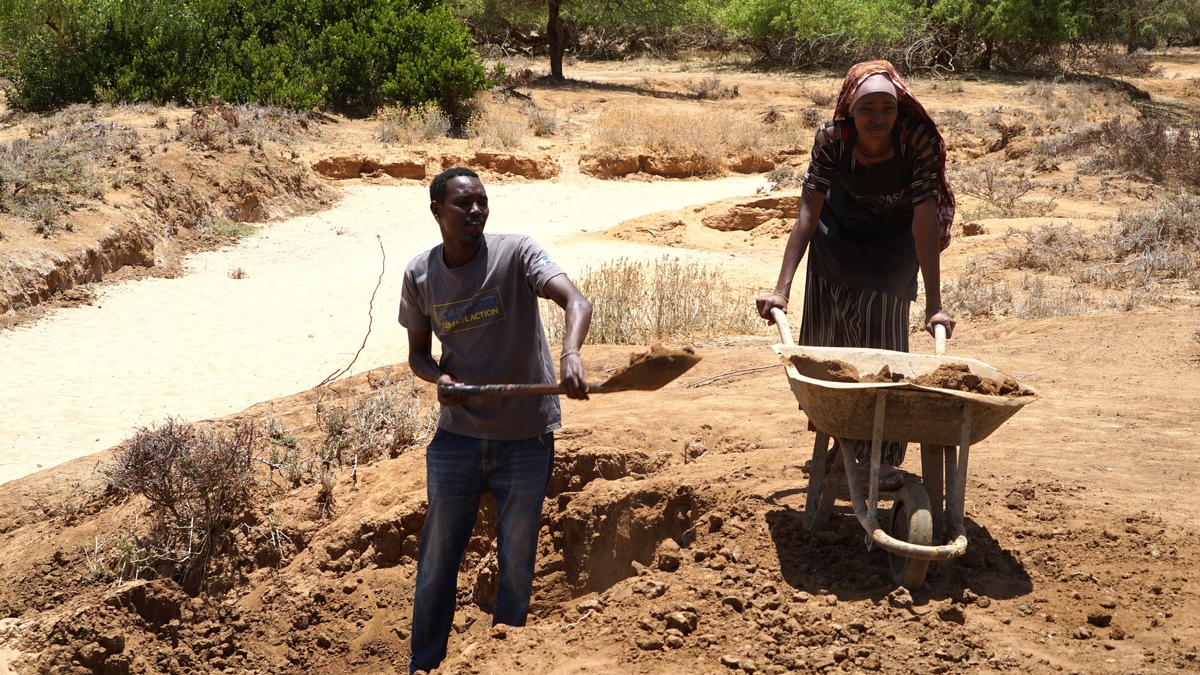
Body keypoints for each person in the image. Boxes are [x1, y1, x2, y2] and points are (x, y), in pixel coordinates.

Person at [399, 166, 592, 673]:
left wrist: (571, 353)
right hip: (458, 440)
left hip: (525, 438)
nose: (477, 211)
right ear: (437, 211)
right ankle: (425, 663)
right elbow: (418, 354)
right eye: (464, 204)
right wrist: (438, 379)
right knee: (438, 563)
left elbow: (575, 299)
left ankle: (505, 661)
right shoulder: (420, 275)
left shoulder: (517, 252)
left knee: (517, 566)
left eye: (482, 201)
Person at [756, 60, 957, 490]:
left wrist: (935, 307)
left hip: (893, 242)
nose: (878, 118)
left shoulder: (915, 139)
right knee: (829, 345)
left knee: (883, 347)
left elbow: (924, 220)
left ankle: (881, 457)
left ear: (899, 109)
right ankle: (843, 443)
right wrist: (781, 290)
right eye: (868, 109)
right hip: (837, 237)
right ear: (850, 109)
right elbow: (808, 211)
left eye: (887, 107)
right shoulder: (832, 139)